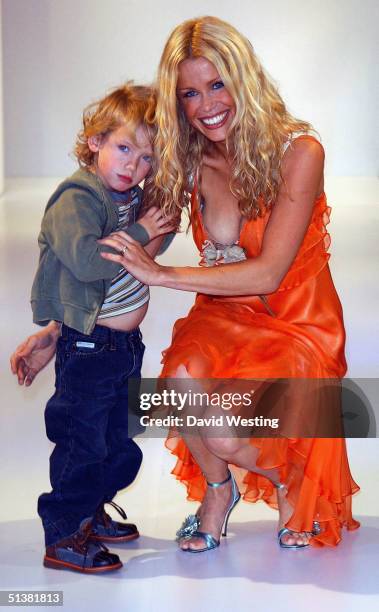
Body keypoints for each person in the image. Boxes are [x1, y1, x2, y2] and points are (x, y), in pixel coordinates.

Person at [98, 16, 360, 552]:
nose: (206, 105)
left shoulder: (300, 152)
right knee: (177, 390)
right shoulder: (187, 159)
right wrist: (56, 329)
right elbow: (128, 251)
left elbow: (270, 273)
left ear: (244, 80)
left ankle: (295, 482)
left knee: (224, 432)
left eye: (217, 84)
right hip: (222, 318)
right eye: (189, 93)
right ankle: (219, 490)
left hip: (296, 324)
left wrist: (163, 274)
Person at [12, 83, 175, 573]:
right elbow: (86, 261)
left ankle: (92, 513)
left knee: (117, 440)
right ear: (95, 142)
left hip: (124, 346)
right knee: (82, 442)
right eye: (124, 148)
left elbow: (144, 254)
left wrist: (157, 225)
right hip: (89, 346)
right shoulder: (76, 199)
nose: (134, 166)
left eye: (147, 158)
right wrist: (144, 230)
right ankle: (64, 533)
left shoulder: (128, 195)